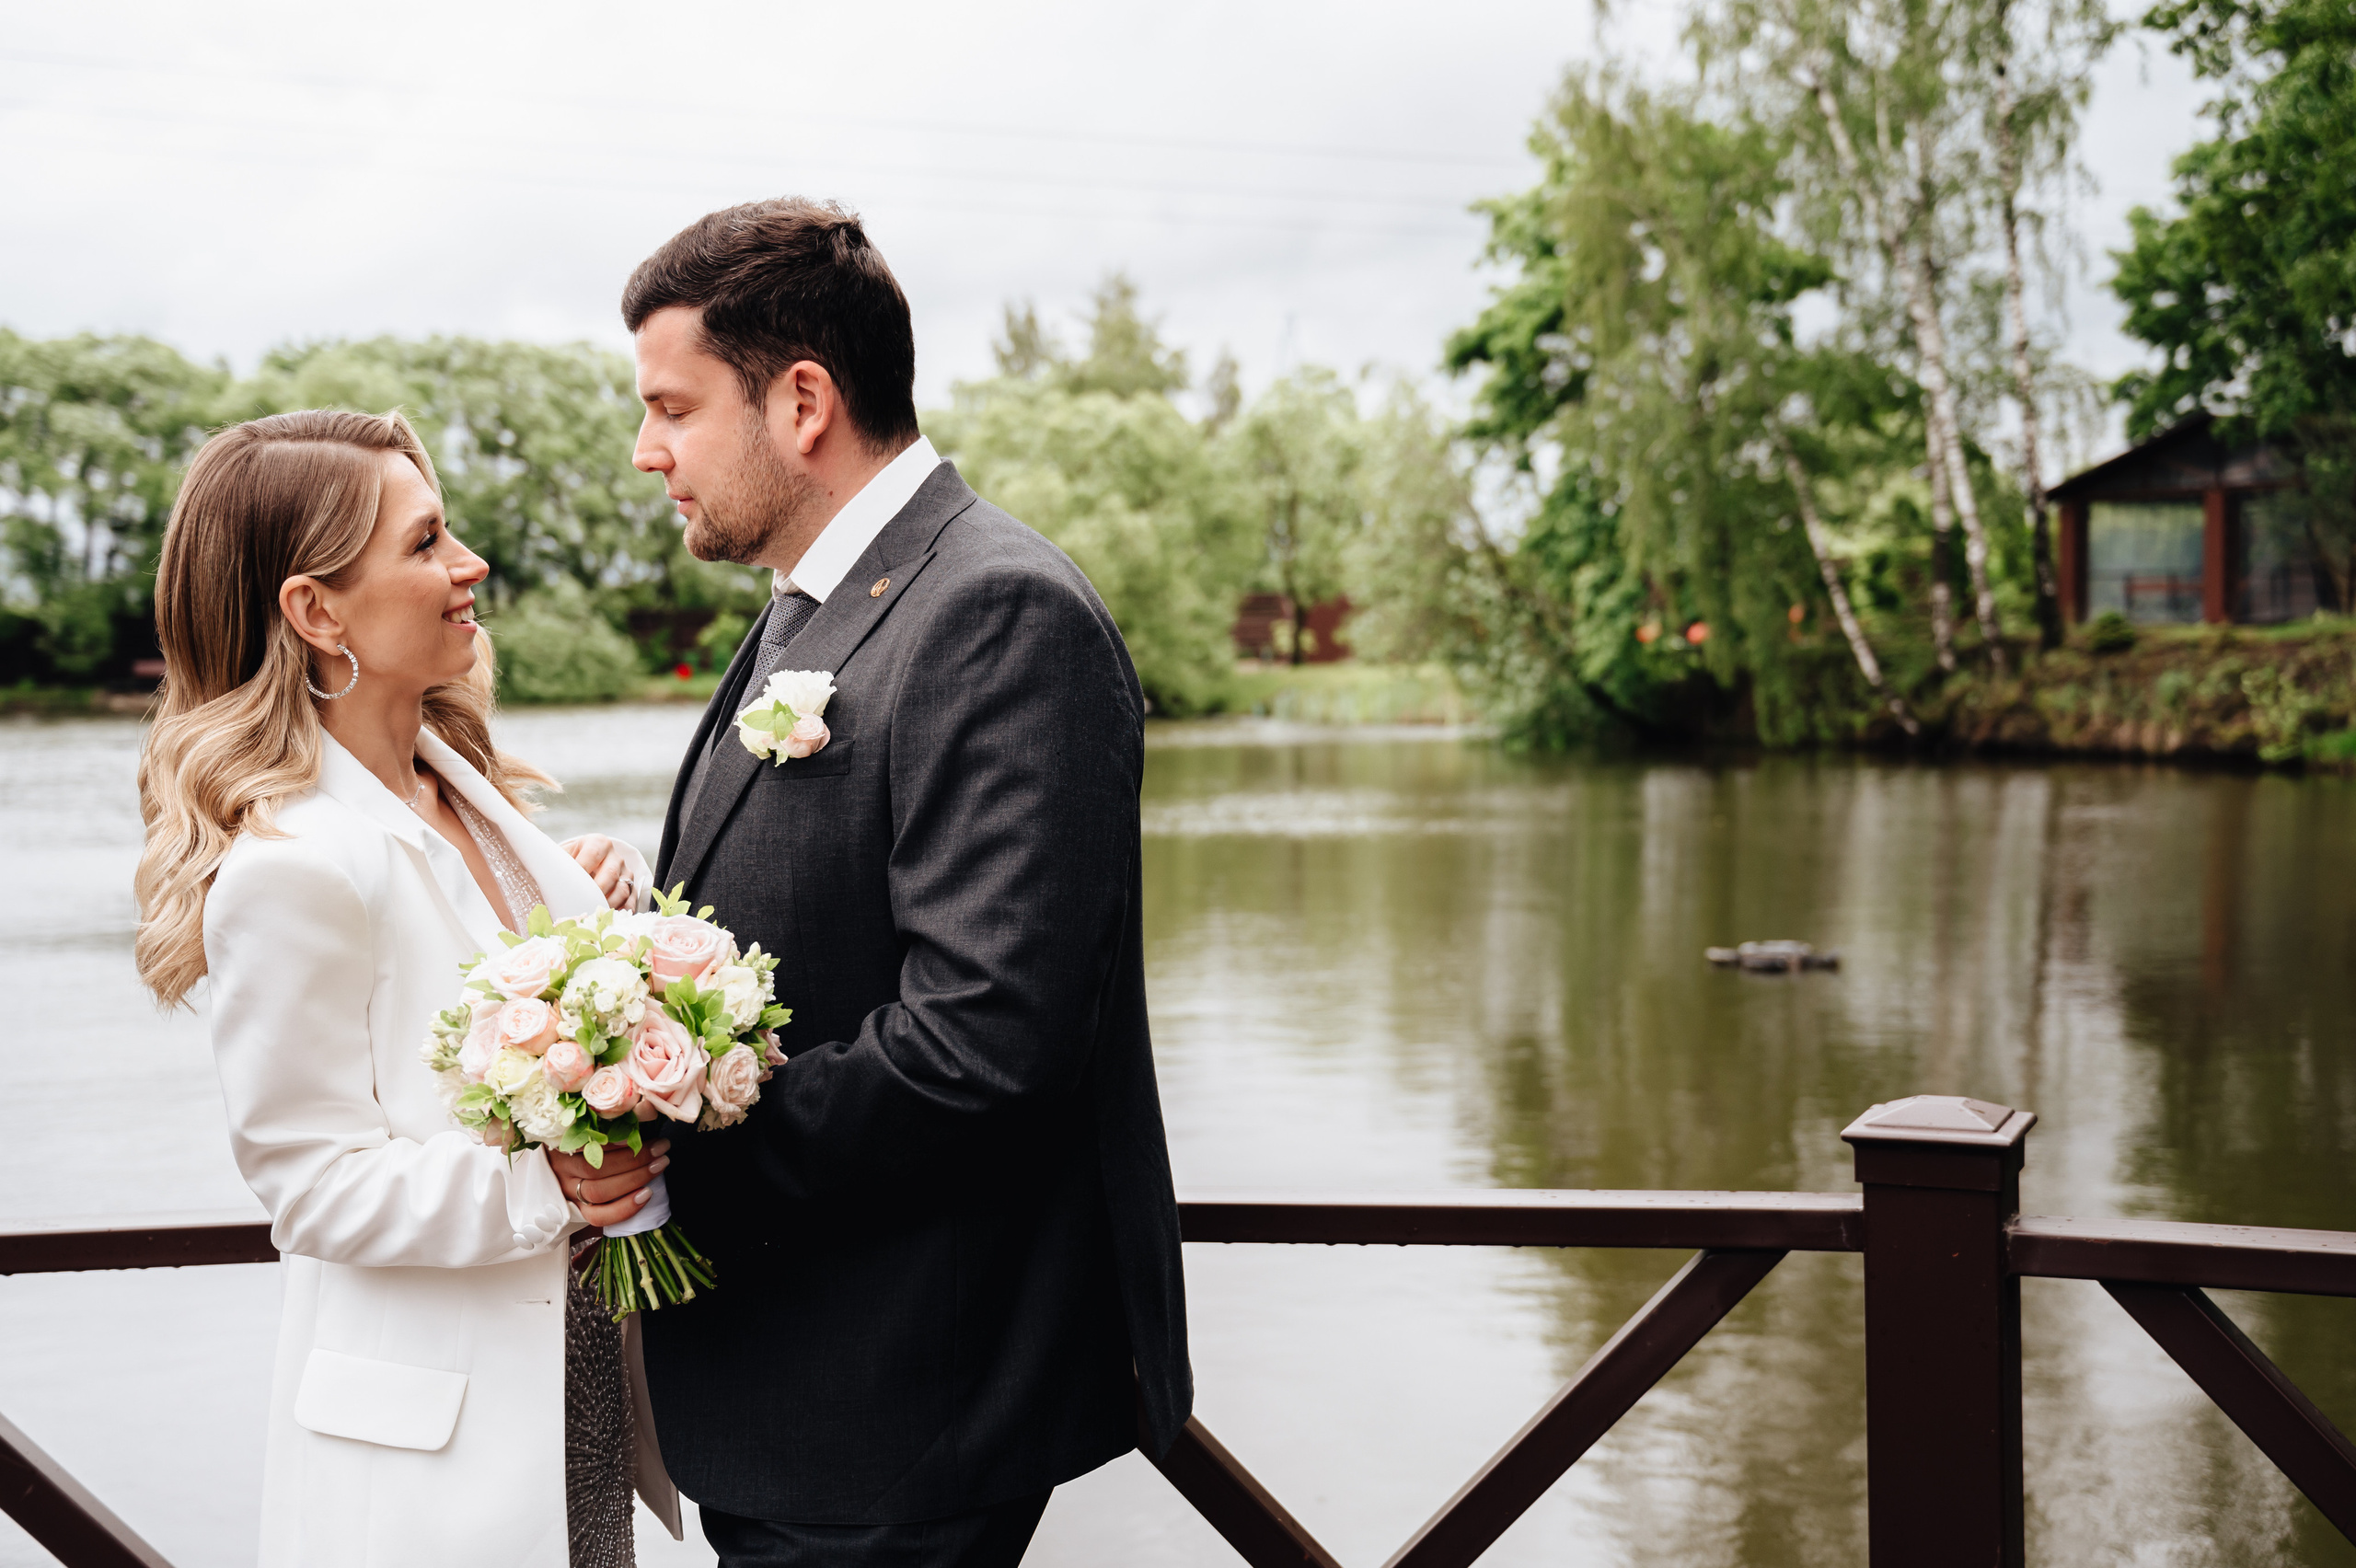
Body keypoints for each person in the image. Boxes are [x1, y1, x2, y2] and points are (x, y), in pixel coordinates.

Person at [624, 198, 1192, 1567]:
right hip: (802, 1395)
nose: (648, 453)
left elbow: (986, 1039)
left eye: (673, 408)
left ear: (802, 400)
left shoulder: (997, 612)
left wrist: (670, 1145)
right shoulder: (815, 607)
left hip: (899, 1409)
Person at [133, 409, 683, 1567]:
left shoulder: (465, 788)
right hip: (439, 1468)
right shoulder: (289, 868)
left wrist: (610, 926)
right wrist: (554, 1187)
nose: (468, 565)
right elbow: (311, 1186)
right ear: (315, 610)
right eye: (427, 541)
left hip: (592, 1388)